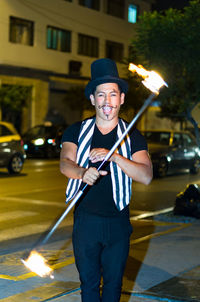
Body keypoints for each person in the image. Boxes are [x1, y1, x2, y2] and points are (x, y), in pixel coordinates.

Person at [60, 58, 153, 302]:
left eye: (112, 94)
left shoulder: (132, 135)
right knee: (89, 286)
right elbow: (65, 163)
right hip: (86, 221)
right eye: (101, 95)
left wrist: (115, 158)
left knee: (113, 286)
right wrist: (81, 173)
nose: (107, 102)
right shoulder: (76, 131)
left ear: (121, 98)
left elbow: (145, 175)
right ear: (93, 99)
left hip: (117, 222)